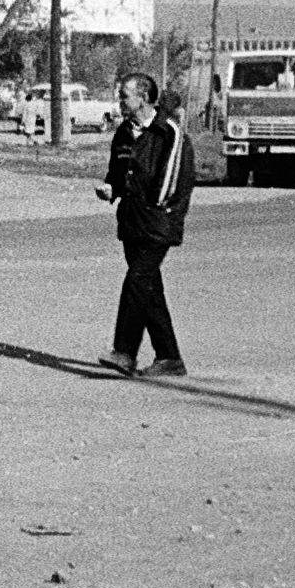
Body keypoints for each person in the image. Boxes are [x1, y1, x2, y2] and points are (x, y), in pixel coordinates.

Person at [94, 70, 196, 377]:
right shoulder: (124, 132)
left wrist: (159, 208)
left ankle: (124, 352)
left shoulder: (169, 133)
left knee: (137, 281)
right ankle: (169, 358)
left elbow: (174, 179)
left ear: (144, 98)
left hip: (158, 221)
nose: (121, 100)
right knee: (148, 288)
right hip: (132, 221)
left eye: (125, 95)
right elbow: (117, 171)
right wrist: (112, 188)